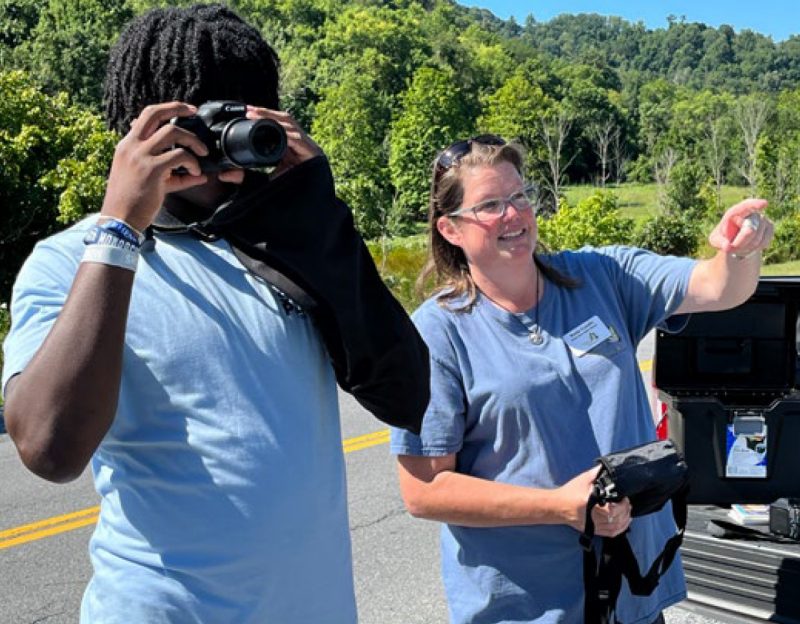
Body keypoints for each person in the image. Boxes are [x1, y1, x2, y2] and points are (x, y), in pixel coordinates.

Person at [1, 5, 428, 623]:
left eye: (246, 115)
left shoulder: (291, 244)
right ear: (139, 128)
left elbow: (411, 396)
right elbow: (50, 448)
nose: (223, 140)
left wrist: (319, 221)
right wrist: (121, 227)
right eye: (204, 119)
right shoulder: (76, 260)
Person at [390, 135, 774, 624]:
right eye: (490, 205)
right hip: (526, 607)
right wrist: (559, 506)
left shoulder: (600, 275)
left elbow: (719, 288)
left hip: (633, 592)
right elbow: (424, 490)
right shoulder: (436, 333)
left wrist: (740, 251)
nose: (513, 215)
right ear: (450, 228)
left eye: (519, 197)